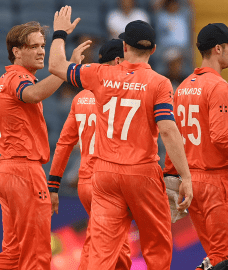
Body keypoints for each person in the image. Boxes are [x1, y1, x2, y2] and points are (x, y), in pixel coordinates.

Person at [49, 7, 193, 269]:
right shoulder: (159, 83)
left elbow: (56, 66)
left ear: (124, 46)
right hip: (142, 173)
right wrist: (185, 176)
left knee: (101, 253)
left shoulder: (100, 74)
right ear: (153, 49)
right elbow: (168, 131)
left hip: (104, 175)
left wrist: (59, 33)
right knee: (157, 245)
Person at [162, 23, 228, 270]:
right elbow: (221, 139)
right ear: (218, 48)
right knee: (225, 259)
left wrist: (171, 177)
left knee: (215, 256)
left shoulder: (183, 86)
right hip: (215, 183)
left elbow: (173, 137)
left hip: (190, 182)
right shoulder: (218, 85)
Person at [0, 21, 88, 269]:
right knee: (37, 253)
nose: (41, 51)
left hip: (9, 170)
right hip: (24, 172)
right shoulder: (18, 77)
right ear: (16, 51)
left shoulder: (8, 78)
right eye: (34, 47)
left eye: (43, 46)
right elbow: (32, 94)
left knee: (13, 254)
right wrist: (64, 69)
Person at [49, 39, 131, 270]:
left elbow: (64, 143)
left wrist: (53, 184)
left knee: (108, 244)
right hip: (110, 183)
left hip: (86, 182)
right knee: (108, 249)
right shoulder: (122, 96)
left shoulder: (81, 97)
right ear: (117, 61)